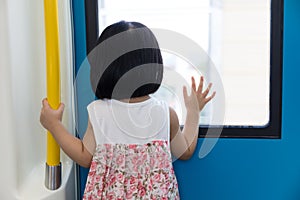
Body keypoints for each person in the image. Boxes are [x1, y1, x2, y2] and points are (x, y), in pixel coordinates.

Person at [40, 21, 215, 199]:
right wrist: (193, 111)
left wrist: (54, 125)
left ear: (103, 68)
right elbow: (185, 151)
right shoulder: (164, 113)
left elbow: (85, 156)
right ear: (153, 66)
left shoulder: (100, 112)